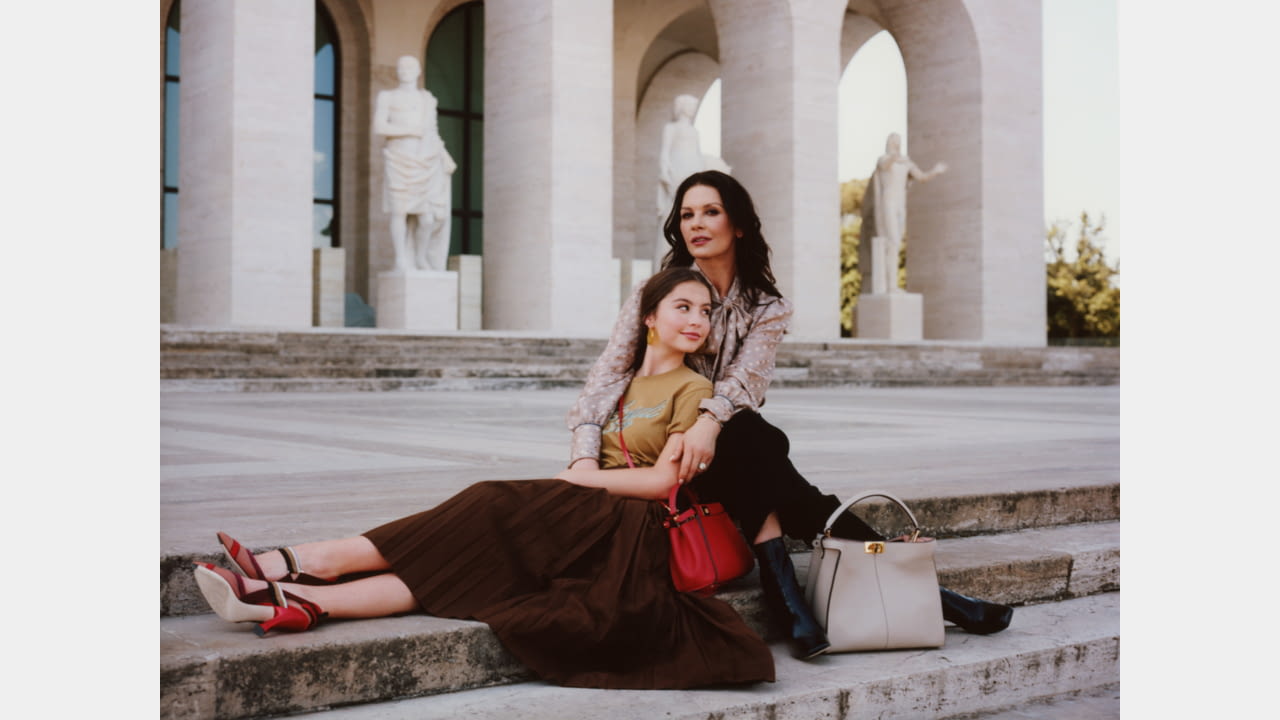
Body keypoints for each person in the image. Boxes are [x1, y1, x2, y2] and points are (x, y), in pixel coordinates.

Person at [192, 267, 775, 690]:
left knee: (488, 501)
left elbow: (658, 485)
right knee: (468, 564)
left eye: (705, 311)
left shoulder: (695, 390)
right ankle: (295, 601)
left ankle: (291, 562)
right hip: (592, 513)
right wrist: (577, 478)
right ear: (648, 316)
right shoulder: (617, 386)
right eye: (683, 306)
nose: (697, 320)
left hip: (636, 530)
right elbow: (587, 458)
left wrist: (576, 483)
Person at [566, 171, 1012, 660]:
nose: (696, 224)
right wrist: (584, 456)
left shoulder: (767, 307)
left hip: (721, 451)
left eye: (710, 211)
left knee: (751, 439)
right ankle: (928, 595)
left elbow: (746, 384)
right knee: (763, 446)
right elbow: (607, 376)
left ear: (738, 224)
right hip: (660, 449)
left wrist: (706, 425)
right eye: (687, 214)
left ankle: (791, 604)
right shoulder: (659, 292)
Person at [373, 55, 456, 273]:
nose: (405, 70)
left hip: (425, 160)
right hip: (399, 157)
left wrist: (444, 155)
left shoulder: (427, 100)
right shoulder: (387, 97)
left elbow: (433, 131)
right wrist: (409, 131)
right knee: (399, 211)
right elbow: (380, 127)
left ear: (418, 71)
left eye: (410, 66)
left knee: (427, 218)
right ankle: (401, 258)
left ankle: (420, 257)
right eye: (401, 66)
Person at [860, 132, 947, 294]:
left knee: (897, 243)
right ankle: (889, 286)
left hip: (900, 204)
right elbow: (884, 166)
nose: (896, 143)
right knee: (891, 241)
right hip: (888, 202)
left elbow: (921, 177)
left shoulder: (906, 162)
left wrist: (935, 171)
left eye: (898, 140)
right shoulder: (884, 160)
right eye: (893, 140)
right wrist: (894, 156)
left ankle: (892, 284)